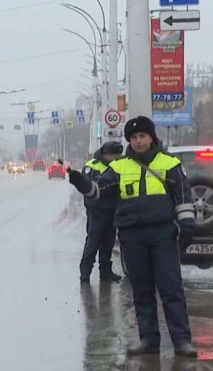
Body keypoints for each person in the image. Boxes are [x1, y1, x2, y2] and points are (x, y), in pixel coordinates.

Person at [68, 116, 198, 357]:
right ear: (129, 140)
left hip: (162, 234)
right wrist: (82, 183)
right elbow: (100, 193)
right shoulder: (118, 167)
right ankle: (148, 339)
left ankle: (182, 340)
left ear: (151, 137)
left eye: (143, 136)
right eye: (134, 137)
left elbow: (183, 196)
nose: (138, 141)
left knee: (171, 288)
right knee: (142, 289)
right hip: (131, 235)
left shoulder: (170, 164)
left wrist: (187, 227)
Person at [79, 141, 124, 283]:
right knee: (93, 242)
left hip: (113, 210)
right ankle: (85, 272)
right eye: (114, 155)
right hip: (97, 212)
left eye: (118, 155)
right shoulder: (92, 165)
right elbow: (87, 187)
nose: (116, 158)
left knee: (108, 243)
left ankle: (105, 272)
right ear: (106, 154)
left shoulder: (119, 166)